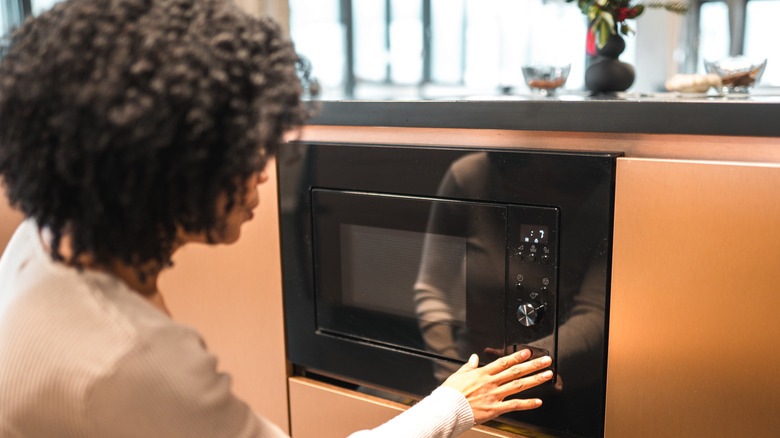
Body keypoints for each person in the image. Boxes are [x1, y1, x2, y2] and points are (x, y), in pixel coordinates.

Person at [0, 0, 553, 437]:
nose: (264, 172)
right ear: (164, 163)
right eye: (242, 150)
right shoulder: (133, 363)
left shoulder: (40, 243)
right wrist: (452, 406)